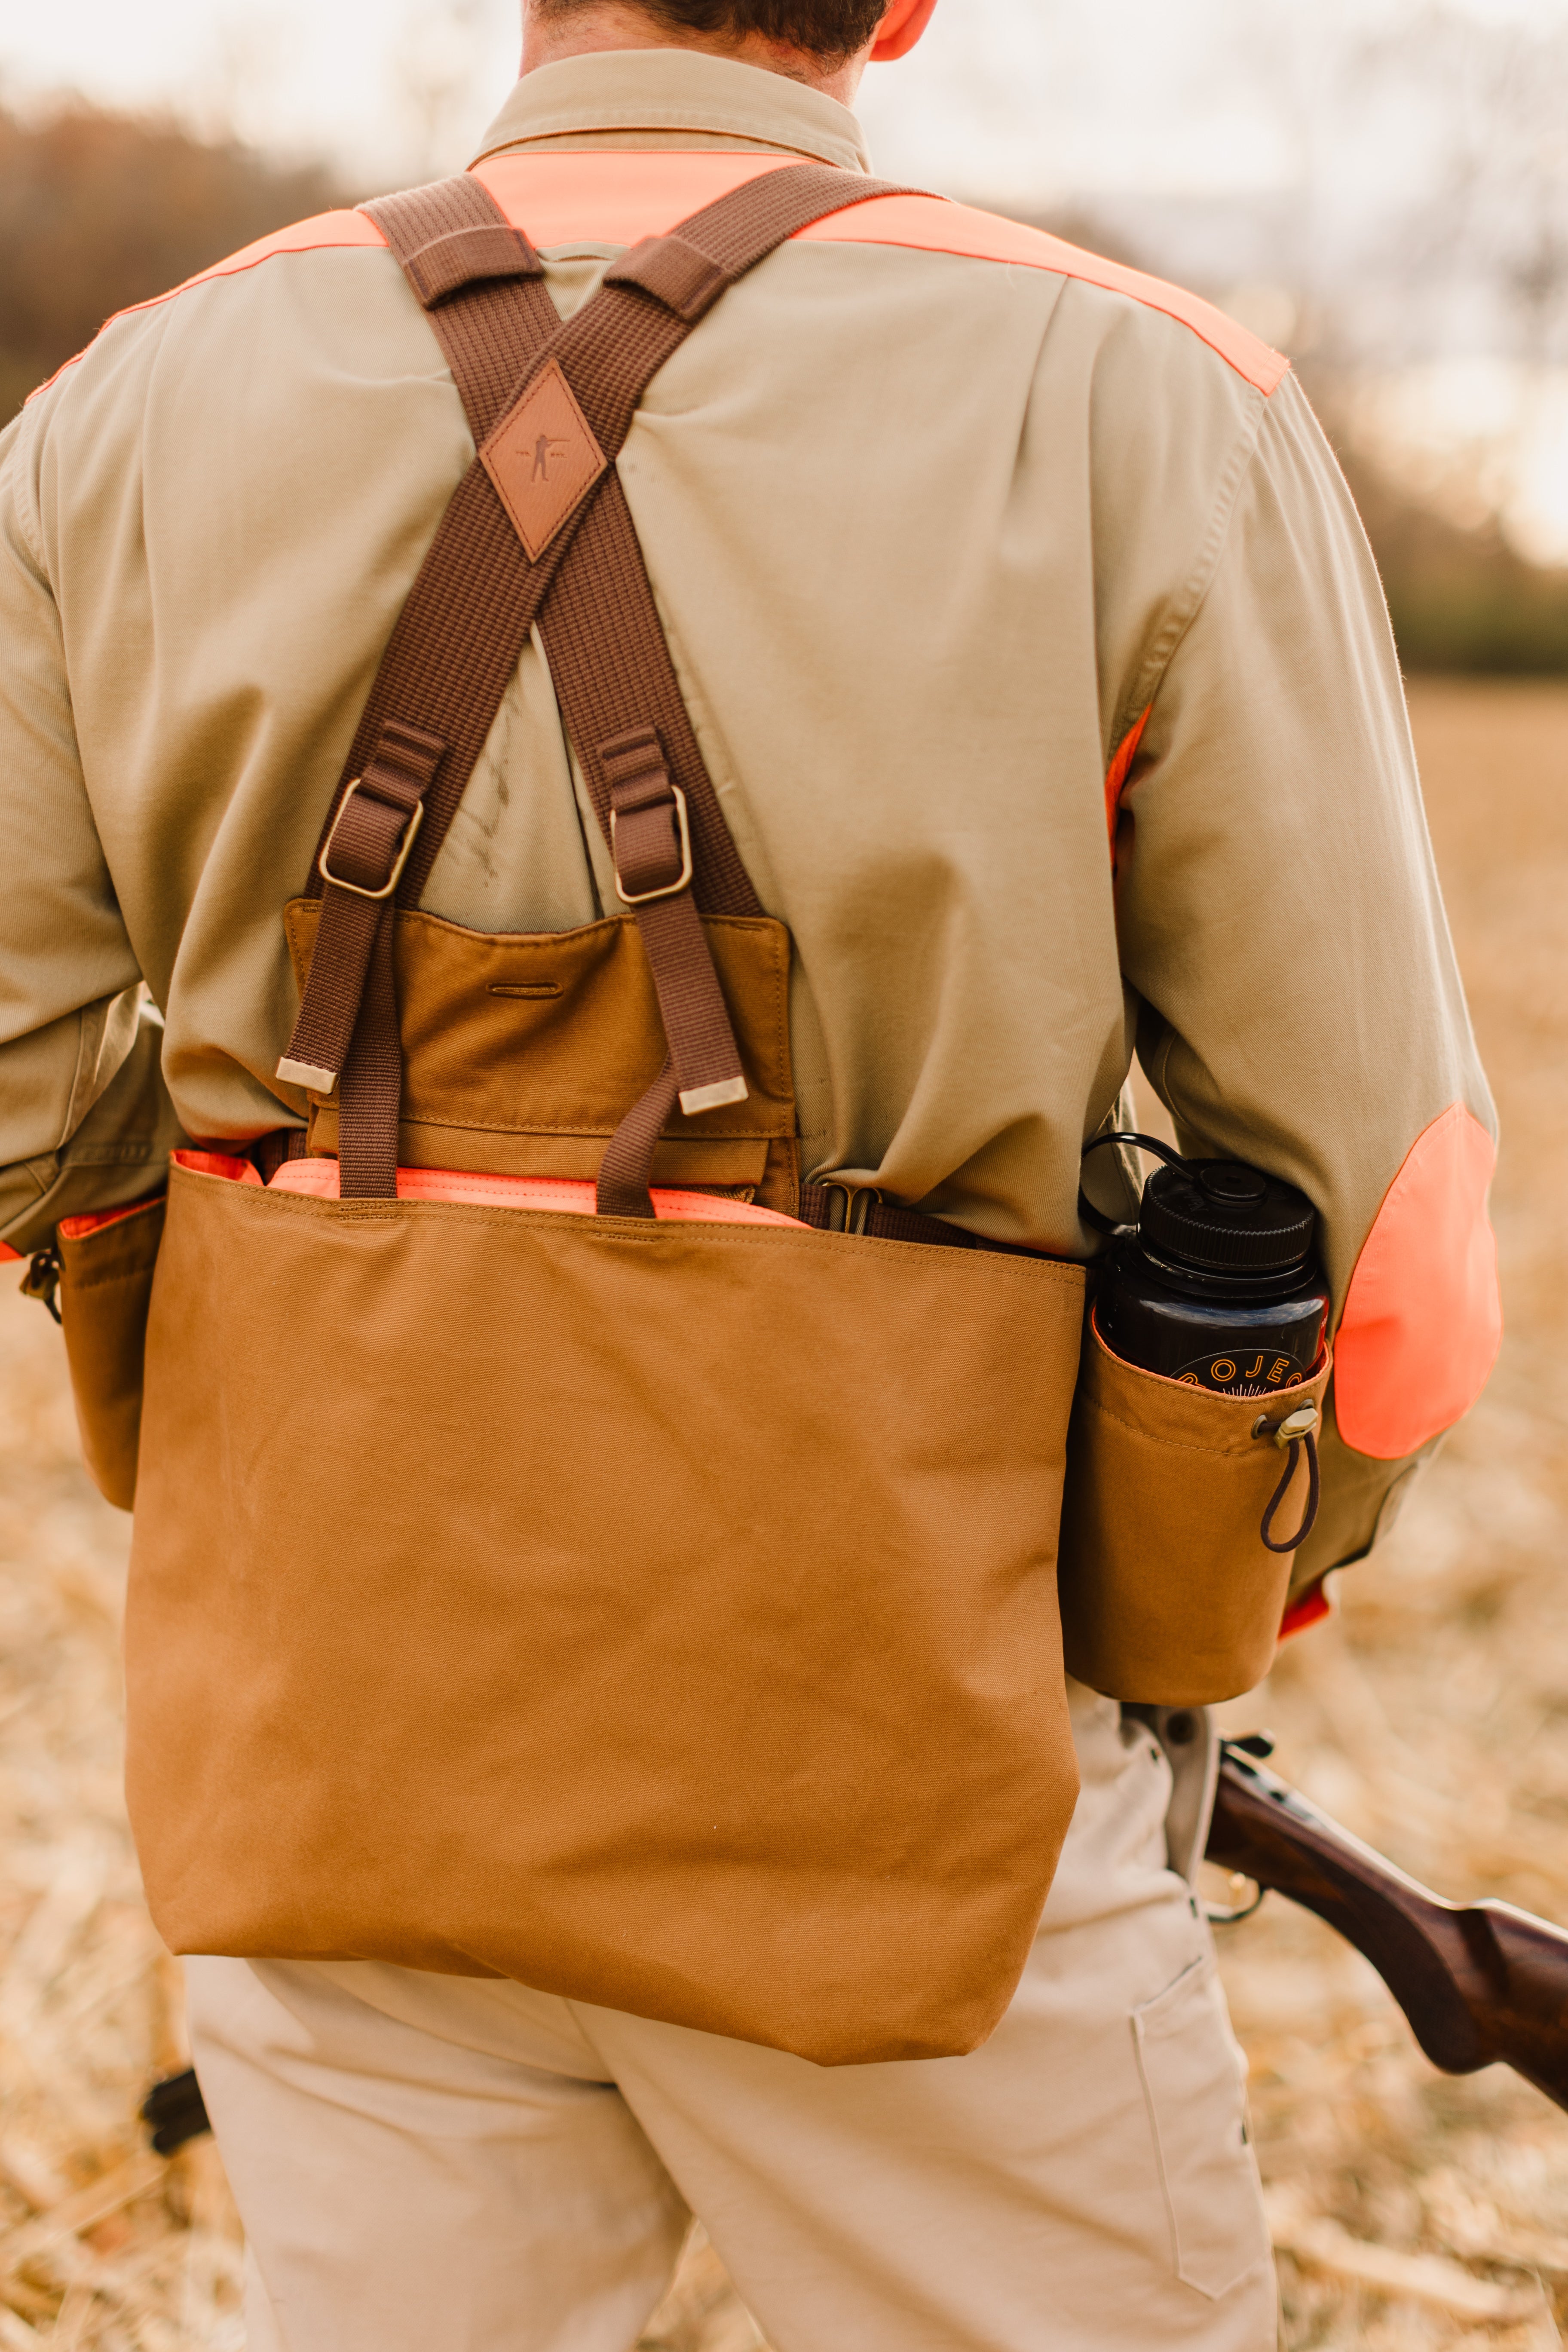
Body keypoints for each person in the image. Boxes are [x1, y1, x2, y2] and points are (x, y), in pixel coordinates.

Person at [0, 1, 1500, 2345]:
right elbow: (1386, 1239)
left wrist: (267, 1371)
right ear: (898, 6)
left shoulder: (119, 405)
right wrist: (1182, 1584)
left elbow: (20, 1099)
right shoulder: (1151, 398)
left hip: (325, 1749)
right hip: (930, 1799)